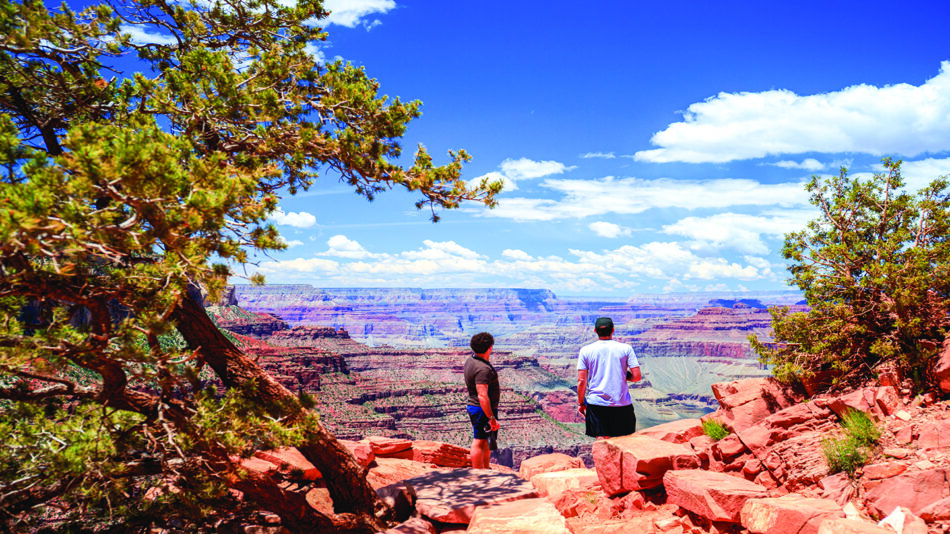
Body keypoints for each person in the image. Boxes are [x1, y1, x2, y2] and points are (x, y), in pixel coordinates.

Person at [576, 317, 642, 438]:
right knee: (624, 441)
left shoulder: (585, 350)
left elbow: (582, 380)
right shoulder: (626, 348)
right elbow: (637, 377)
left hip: (596, 403)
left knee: (602, 442)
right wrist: (624, 375)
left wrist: (581, 402)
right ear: (613, 330)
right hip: (621, 403)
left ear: (595, 331)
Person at [464, 332, 500, 468]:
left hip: (478, 407)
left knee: (486, 439)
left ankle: (485, 470)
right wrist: (491, 417)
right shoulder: (483, 369)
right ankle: (478, 474)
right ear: (490, 347)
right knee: (479, 440)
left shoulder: (471, 360)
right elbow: (482, 396)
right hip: (481, 408)